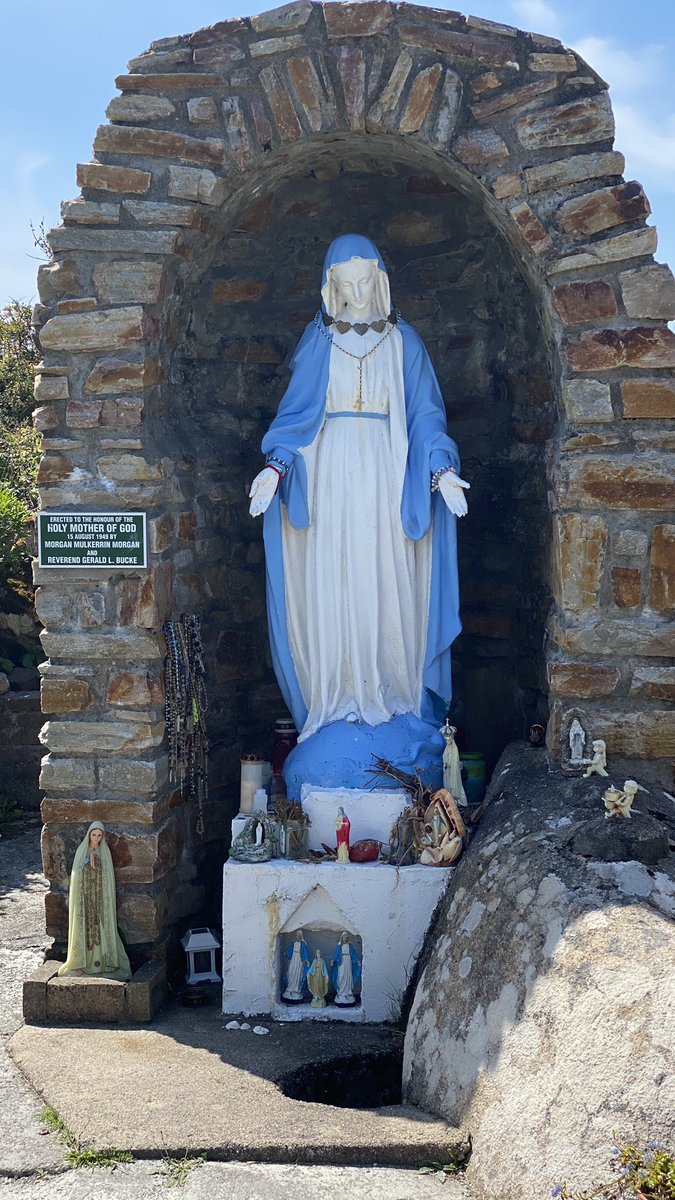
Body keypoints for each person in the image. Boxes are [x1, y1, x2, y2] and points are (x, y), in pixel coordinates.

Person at [249, 234, 469, 789]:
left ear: (381, 279)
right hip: (328, 484)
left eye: (364, 281)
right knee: (336, 588)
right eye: (344, 285)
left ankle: (393, 699)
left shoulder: (404, 343)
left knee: (386, 585)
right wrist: (274, 469)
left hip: (388, 479)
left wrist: (441, 472)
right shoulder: (318, 342)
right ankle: (340, 698)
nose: (356, 293)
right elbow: (296, 417)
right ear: (331, 288)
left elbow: (426, 419)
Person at [58, 821, 131, 980]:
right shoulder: (81, 851)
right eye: (94, 835)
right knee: (86, 929)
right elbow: (77, 875)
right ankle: (83, 964)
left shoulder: (104, 852)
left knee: (100, 927)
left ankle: (104, 963)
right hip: (86, 899)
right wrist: (87, 865)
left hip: (100, 898)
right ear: (89, 835)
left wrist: (96, 866)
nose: (96, 838)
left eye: (99, 835)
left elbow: (108, 877)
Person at [331, 932, 362, 1006]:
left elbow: (353, 953)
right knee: (341, 976)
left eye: (346, 937)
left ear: (347, 938)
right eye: (343, 937)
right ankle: (341, 991)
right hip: (341, 962)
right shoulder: (339, 946)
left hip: (348, 961)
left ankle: (348, 992)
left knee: (348, 975)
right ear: (341, 938)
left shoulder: (350, 945)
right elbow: (337, 954)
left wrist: (357, 960)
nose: (344, 939)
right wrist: (333, 960)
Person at [282, 929, 309, 1002]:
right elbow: (290, 950)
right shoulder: (293, 942)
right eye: (296, 935)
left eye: (298, 935)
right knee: (291, 972)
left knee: (297, 974)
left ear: (300, 936)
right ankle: (289, 988)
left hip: (299, 961)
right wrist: (286, 953)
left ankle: (296, 989)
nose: (297, 937)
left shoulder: (302, 944)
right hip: (293, 959)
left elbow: (304, 952)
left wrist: (306, 960)